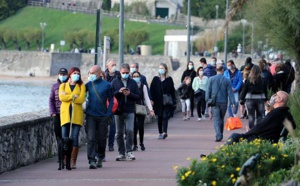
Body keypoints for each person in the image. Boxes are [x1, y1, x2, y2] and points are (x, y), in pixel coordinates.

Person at [226, 91, 296, 145]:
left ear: (279, 99)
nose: (273, 96)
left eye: (276, 95)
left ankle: (219, 156)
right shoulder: (286, 114)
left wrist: (246, 134)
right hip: (269, 139)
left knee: (234, 136)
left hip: (262, 139)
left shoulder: (275, 113)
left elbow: (259, 127)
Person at [85, 65, 114, 169]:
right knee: (91, 138)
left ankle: (100, 157)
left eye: (92, 73)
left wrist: (109, 112)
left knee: (101, 139)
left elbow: (111, 99)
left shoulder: (107, 85)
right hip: (90, 115)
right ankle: (91, 160)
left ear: (98, 73)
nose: (90, 75)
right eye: (90, 73)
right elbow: (80, 95)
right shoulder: (88, 85)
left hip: (103, 116)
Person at [111, 63, 140, 161]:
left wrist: (129, 94)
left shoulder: (133, 83)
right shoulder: (115, 81)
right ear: (120, 72)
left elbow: (138, 96)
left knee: (130, 130)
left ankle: (129, 151)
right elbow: (111, 95)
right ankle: (121, 153)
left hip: (130, 110)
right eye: (123, 72)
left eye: (127, 72)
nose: (125, 74)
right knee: (119, 132)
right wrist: (119, 92)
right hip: (118, 111)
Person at [59, 67, 86, 169]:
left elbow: (81, 99)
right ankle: (65, 159)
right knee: (64, 136)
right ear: (70, 74)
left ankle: (73, 160)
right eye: (74, 73)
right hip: (65, 114)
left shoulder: (81, 86)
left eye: (78, 73)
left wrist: (68, 96)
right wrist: (73, 96)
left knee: (74, 137)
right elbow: (62, 98)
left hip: (76, 114)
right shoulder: (63, 85)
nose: (76, 75)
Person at [206, 66, 235, 142]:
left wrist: (208, 100)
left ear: (216, 70)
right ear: (223, 70)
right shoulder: (227, 80)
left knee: (216, 119)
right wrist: (233, 103)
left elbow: (208, 91)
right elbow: (230, 93)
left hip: (214, 102)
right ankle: (220, 134)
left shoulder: (211, 79)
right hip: (224, 102)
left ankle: (218, 135)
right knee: (221, 118)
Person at [150, 63, 176, 140]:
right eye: (160, 68)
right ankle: (160, 132)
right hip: (157, 101)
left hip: (166, 101)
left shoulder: (169, 79)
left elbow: (172, 91)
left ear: (166, 70)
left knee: (165, 116)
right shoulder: (155, 79)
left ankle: (164, 132)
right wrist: (151, 99)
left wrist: (173, 101)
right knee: (159, 117)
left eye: (162, 68)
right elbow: (151, 90)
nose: (161, 70)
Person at [131, 71, 155, 151]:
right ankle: (134, 144)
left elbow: (147, 98)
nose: (136, 78)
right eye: (134, 76)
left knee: (141, 126)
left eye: (137, 76)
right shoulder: (130, 86)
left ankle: (141, 142)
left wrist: (151, 109)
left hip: (140, 107)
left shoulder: (143, 86)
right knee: (134, 127)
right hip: (132, 108)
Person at [240, 65, 268, 130]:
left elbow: (244, 90)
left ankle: (251, 130)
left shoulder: (248, 80)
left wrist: (242, 99)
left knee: (251, 115)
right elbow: (265, 90)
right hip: (260, 99)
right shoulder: (262, 80)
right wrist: (266, 99)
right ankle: (258, 130)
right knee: (260, 115)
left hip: (249, 99)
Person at [49, 68, 68, 163]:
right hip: (57, 114)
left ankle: (65, 155)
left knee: (66, 136)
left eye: (64, 74)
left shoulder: (69, 86)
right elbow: (51, 100)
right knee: (58, 136)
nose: (62, 75)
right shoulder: (54, 86)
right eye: (61, 74)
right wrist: (52, 112)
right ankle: (60, 155)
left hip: (67, 114)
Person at [104, 59, 120, 152]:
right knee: (104, 126)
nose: (114, 66)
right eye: (112, 65)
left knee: (113, 125)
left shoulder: (118, 75)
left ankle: (111, 144)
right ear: (107, 66)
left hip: (114, 103)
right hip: (104, 102)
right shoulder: (103, 75)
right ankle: (104, 144)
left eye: (115, 64)